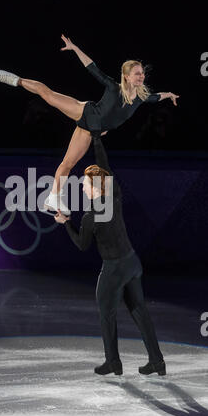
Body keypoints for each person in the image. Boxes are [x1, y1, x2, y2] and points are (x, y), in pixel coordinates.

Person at [0, 34, 179, 214]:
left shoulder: (142, 98)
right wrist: (75, 48)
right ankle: (14, 80)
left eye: (142, 74)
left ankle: (52, 198)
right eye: (137, 74)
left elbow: (157, 97)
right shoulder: (114, 87)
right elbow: (92, 67)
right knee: (48, 94)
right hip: (85, 111)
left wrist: (169, 94)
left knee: (67, 163)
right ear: (126, 76)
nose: (141, 76)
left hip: (89, 129)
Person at [54, 135, 166, 376]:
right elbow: (104, 166)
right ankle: (157, 361)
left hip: (114, 268)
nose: (82, 185)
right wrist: (95, 139)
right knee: (139, 311)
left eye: (85, 182)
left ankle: (113, 362)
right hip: (132, 263)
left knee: (107, 315)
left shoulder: (90, 216)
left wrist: (65, 222)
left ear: (95, 187)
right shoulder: (113, 194)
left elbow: (82, 245)